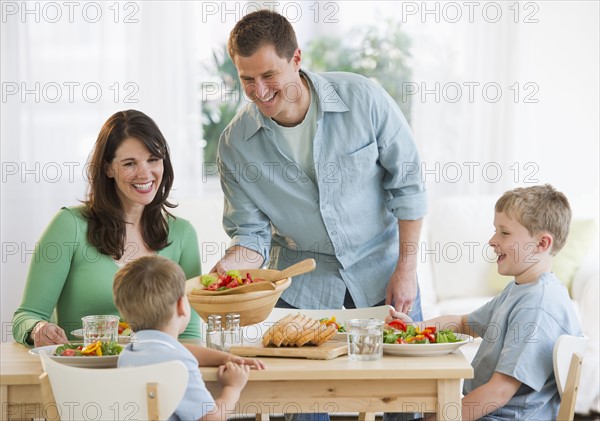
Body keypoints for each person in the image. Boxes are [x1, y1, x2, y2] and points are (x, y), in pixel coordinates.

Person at [215, 9, 427, 318]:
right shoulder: (235, 145)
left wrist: (406, 270)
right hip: (302, 287)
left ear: (296, 59)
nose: (259, 92)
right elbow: (250, 234)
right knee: (288, 366)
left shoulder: (363, 100)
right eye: (247, 79)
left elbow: (409, 188)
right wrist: (227, 268)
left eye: (268, 76)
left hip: (383, 274)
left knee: (405, 364)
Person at [388, 184, 583, 421]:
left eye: (504, 232)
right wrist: (412, 330)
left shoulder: (537, 307)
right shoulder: (521, 290)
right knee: (411, 401)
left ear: (542, 244)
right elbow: (463, 323)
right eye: (495, 230)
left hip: (501, 417)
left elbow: (498, 392)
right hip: (492, 414)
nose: (492, 240)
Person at [12, 109, 203, 346]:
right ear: (108, 168)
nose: (145, 173)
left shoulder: (183, 235)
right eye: (129, 163)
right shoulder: (69, 225)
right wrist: (39, 328)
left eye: (153, 159)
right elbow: (26, 317)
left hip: (156, 373)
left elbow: (190, 335)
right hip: (86, 374)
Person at [114, 255, 251, 421]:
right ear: (181, 306)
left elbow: (177, 349)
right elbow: (210, 418)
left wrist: (226, 357)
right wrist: (232, 387)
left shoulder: (129, 353)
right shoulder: (180, 364)